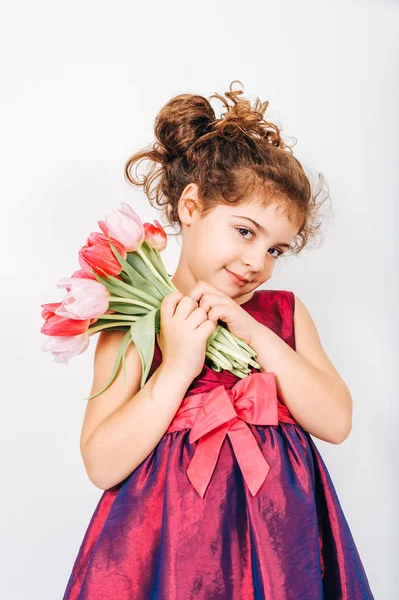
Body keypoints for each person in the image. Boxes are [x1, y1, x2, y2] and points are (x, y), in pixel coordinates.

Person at [62, 80, 374, 599]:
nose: (258, 262)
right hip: (166, 552)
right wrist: (178, 366)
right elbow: (101, 463)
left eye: (277, 249)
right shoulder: (135, 323)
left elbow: (336, 422)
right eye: (246, 232)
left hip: (282, 549)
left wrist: (252, 331)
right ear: (191, 206)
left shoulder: (284, 314)